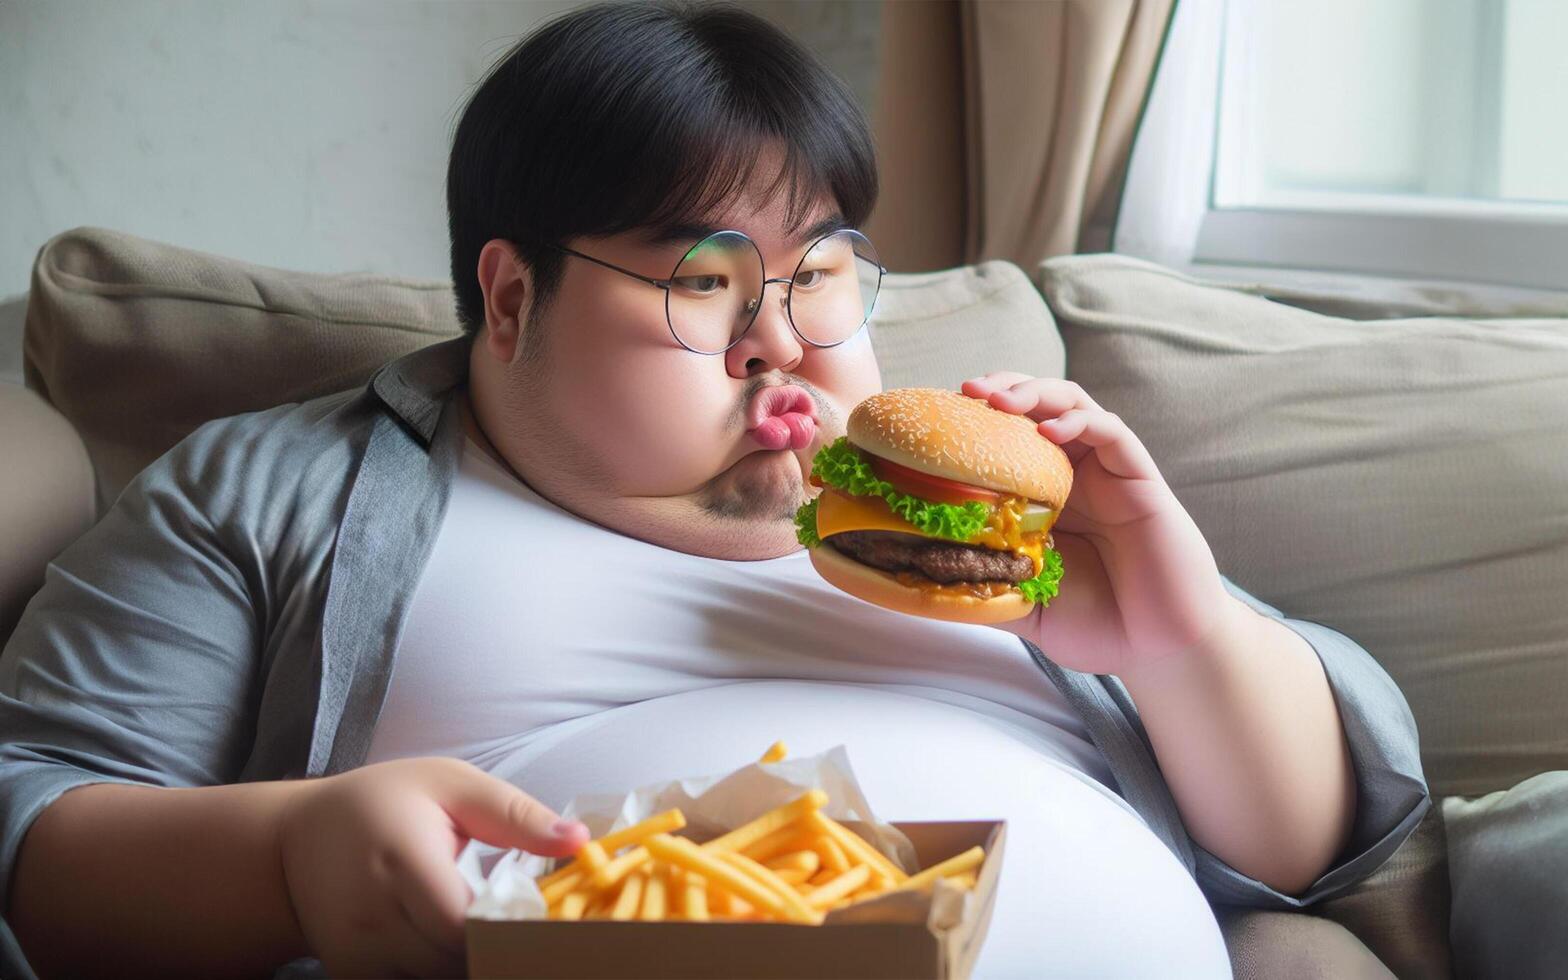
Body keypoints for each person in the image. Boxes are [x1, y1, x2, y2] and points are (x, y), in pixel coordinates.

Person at [0, 3, 1428, 977]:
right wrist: (290, 855)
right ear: (510, 297)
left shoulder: (982, 501)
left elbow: (1314, 847)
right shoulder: (269, 489)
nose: (787, 343)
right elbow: (35, 824)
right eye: (705, 285)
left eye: (816, 275)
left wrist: (1180, 641)